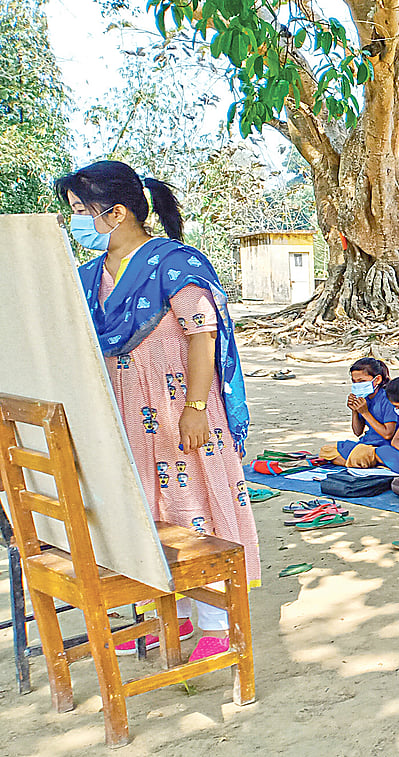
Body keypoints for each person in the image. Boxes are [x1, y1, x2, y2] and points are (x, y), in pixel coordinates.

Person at [60, 160, 258, 662]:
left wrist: (194, 408)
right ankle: (160, 615)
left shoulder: (175, 264)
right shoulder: (88, 276)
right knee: (144, 509)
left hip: (178, 408)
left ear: (117, 212)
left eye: (81, 211)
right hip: (123, 411)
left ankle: (214, 621)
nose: (76, 222)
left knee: (194, 504)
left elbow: (202, 336)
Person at [320, 358, 399, 468]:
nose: (357, 385)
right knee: (327, 450)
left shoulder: (388, 399)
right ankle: (362, 463)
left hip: (384, 446)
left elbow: (387, 434)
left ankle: (362, 463)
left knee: (361, 453)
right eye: (354, 382)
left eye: (362, 381)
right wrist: (355, 410)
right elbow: (357, 432)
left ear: (377, 380)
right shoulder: (365, 397)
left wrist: (365, 412)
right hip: (366, 443)